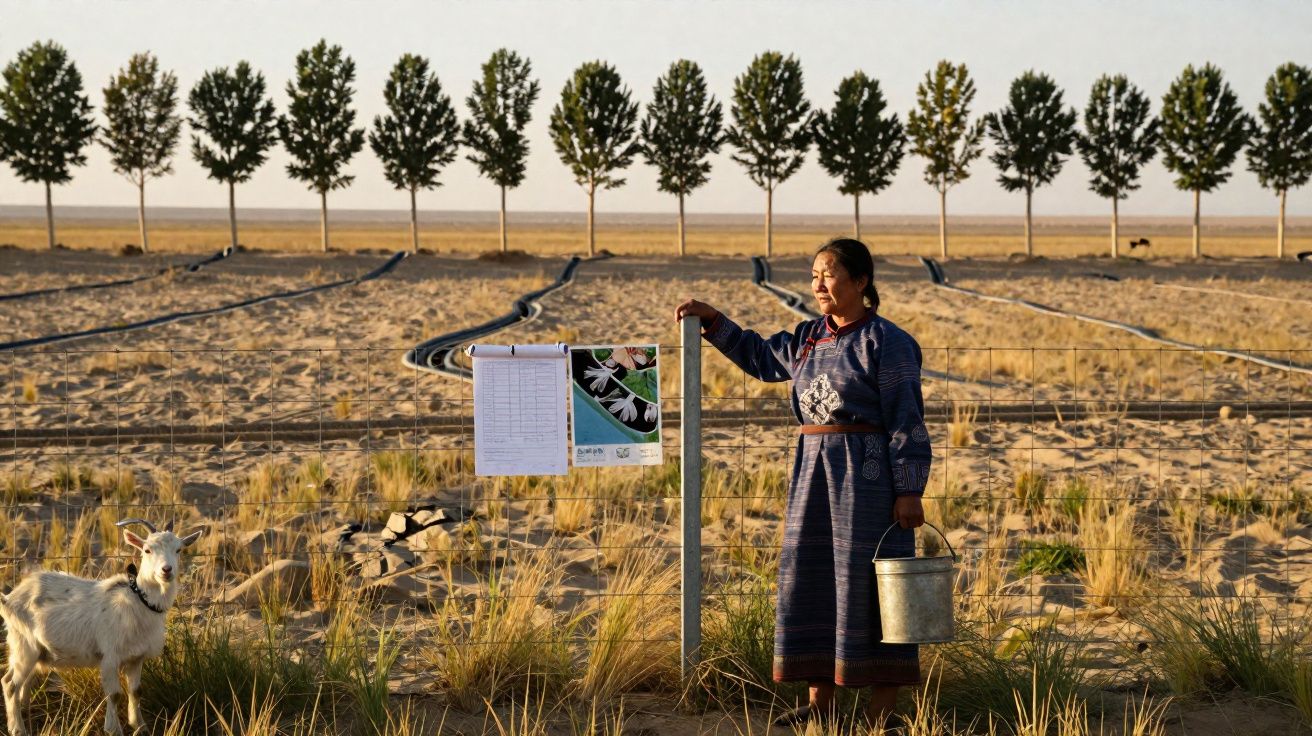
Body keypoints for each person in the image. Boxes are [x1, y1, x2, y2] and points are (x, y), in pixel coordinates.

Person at [674, 237, 931, 728]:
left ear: (860, 281)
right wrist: (714, 322)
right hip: (811, 476)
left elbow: (907, 421)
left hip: (870, 481)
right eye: (814, 274)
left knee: (875, 589)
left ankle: (880, 716)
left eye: (829, 273)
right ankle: (821, 708)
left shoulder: (888, 342)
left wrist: (909, 488)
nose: (818, 283)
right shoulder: (808, 338)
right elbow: (760, 357)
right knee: (811, 579)